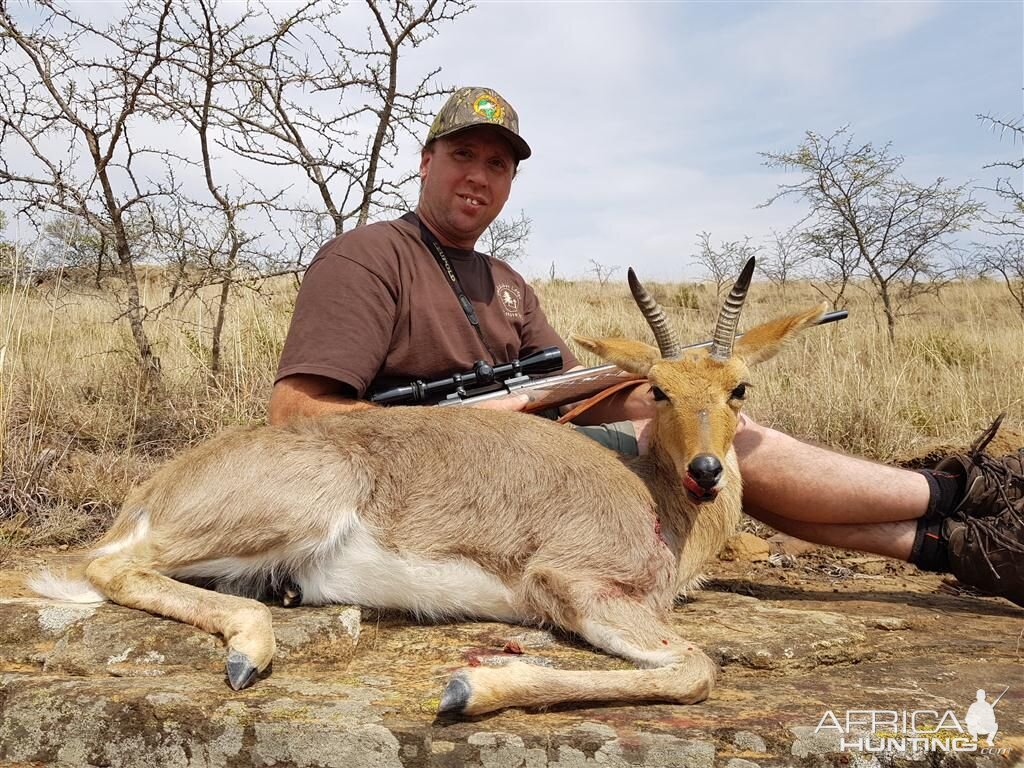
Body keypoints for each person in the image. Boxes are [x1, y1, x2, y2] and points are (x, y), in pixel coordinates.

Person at [269, 86, 1024, 608]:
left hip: (533, 458)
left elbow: (570, 389)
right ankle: (967, 494)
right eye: (464, 155)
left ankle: (949, 544)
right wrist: (474, 420)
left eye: (497, 164)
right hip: (441, 480)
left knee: (704, 433)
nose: (480, 176)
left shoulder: (504, 281)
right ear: (427, 160)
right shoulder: (367, 257)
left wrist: (676, 394)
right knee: (739, 455)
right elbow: (295, 416)